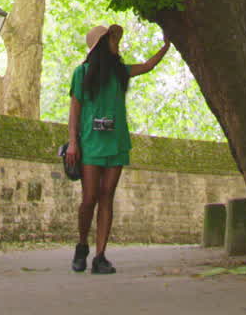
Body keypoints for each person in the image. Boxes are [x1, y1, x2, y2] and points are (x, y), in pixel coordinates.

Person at [65, 22, 170, 274]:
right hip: (90, 144)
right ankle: (82, 245)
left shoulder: (120, 72)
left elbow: (148, 66)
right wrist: (73, 143)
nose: (117, 44)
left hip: (117, 143)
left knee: (107, 196)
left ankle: (100, 256)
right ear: (101, 45)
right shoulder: (82, 73)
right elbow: (75, 110)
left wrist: (166, 46)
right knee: (89, 198)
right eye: (112, 40)